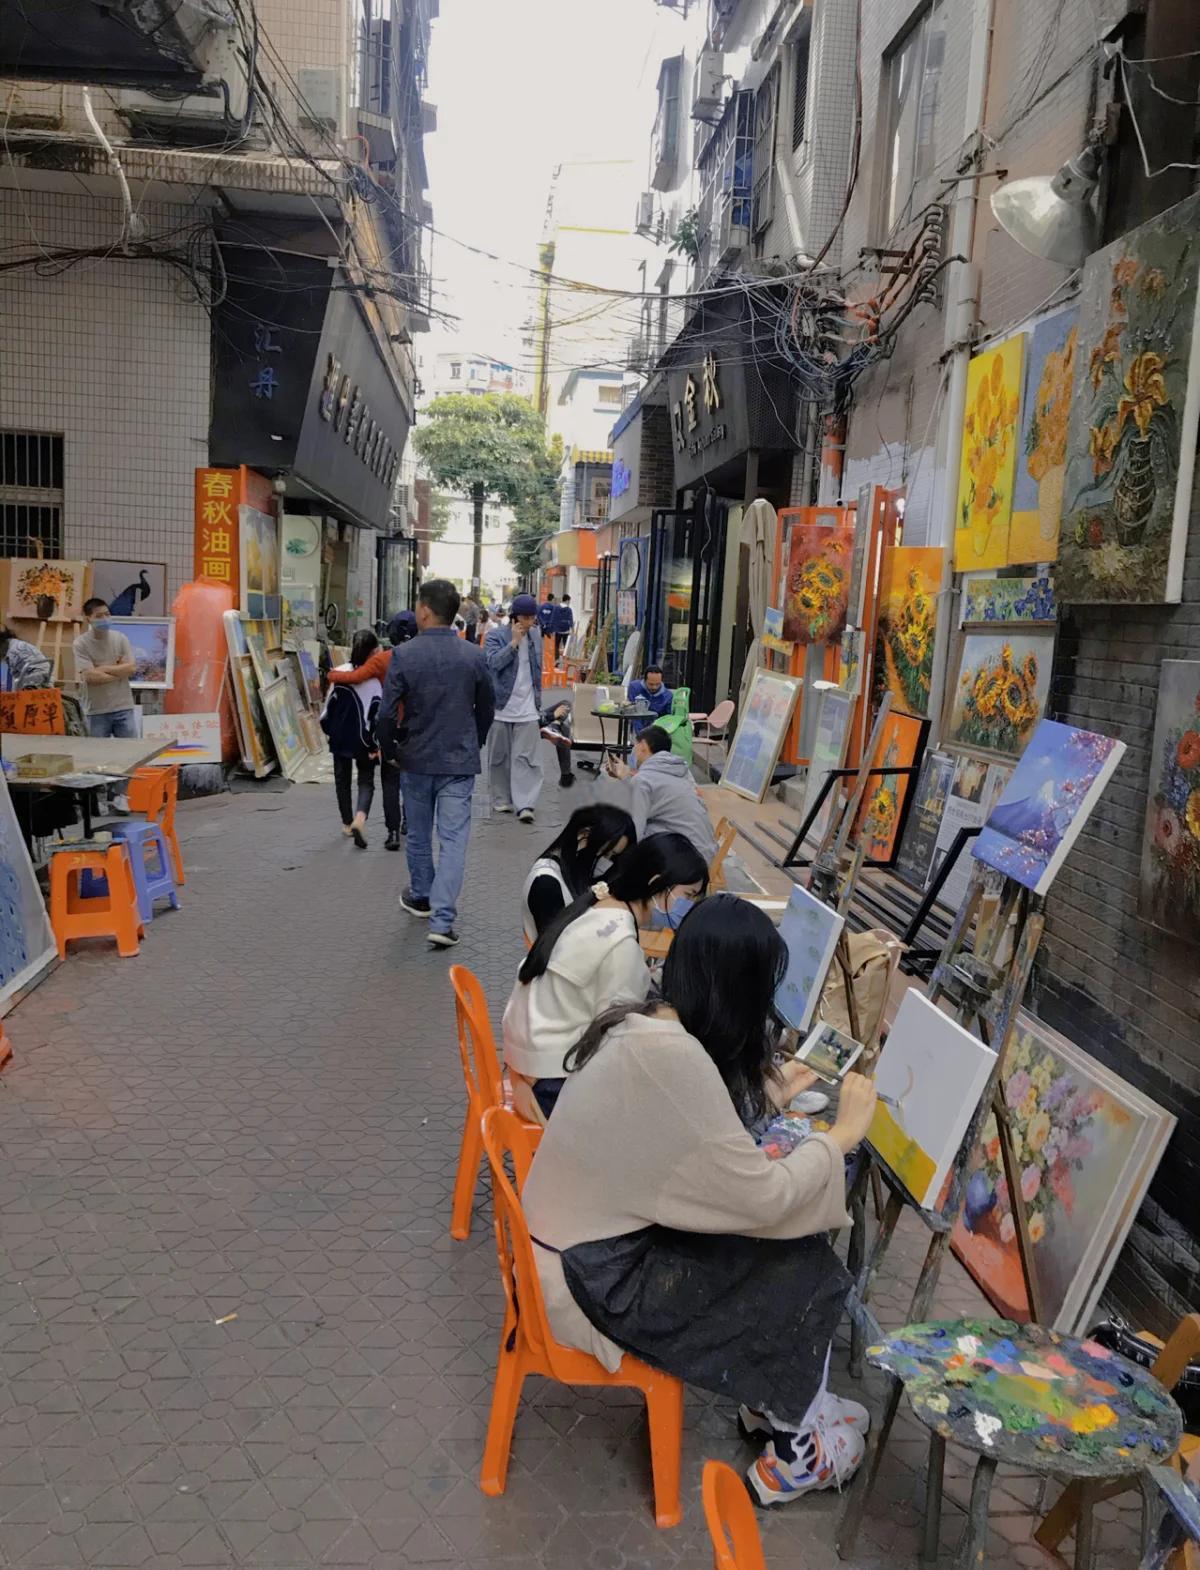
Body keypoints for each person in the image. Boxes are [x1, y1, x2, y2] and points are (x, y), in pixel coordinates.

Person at [521, 894, 879, 1505]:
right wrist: (843, 1135)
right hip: (587, 1280)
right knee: (800, 1263)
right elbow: (761, 1199)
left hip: (567, 1249)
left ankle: (779, 1404)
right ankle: (795, 1455)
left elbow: (695, 1139)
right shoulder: (674, 1059)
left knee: (755, 1242)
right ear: (737, 995)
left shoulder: (648, 1021)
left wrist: (777, 1087)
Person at [502, 832, 708, 1121]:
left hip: (530, 1059)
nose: (692, 905)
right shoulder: (620, 941)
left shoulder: (598, 902)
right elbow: (618, 1038)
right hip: (549, 1084)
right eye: (688, 895)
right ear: (655, 884)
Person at [377, 579, 495, 949]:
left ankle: (422, 897)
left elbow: (384, 715)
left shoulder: (405, 655)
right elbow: (487, 707)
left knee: (419, 834)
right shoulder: (474, 656)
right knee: (454, 839)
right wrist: (473, 742)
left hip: (415, 759)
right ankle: (443, 921)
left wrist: (390, 749)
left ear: (425, 610)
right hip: (458, 761)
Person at [329, 610, 417, 848]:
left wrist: (332, 674)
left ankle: (392, 834)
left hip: (391, 725)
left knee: (390, 779)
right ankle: (409, 821)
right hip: (418, 725)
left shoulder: (384, 660)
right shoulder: (425, 657)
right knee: (411, 777)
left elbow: (356, 676)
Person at [522, 803, 636, 943]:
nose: (606, 863)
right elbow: (556, 947)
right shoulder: (547, 882)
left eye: (612, 856)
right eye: (603, 853)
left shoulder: (577, 872)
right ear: (583, 835)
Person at [607, 723, 718, 864]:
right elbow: (655, 794)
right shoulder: (679, 769)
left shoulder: (644, 780)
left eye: (634, 745)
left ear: (643, 746)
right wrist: (626, 778)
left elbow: (633, 831)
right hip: (703, 849)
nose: (633, 752)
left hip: (687, 863)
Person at [484, 592, 543, 824]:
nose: (530, 622)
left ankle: (525, 804)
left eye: (532, 618)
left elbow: (538, 671)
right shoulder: (496, 635)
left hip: (528, 707)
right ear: (515, 617)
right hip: (501, 705)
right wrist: (514, 643)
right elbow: (492, 664)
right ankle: (501, 799)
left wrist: (539, 703)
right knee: (499, 757)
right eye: (525, 618)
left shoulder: (537, 636)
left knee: (527, 758)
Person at [320, 629, 382, 849]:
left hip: (339, 737)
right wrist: (375, 744)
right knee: (366, 780)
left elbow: (327, 709)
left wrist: (329, 730)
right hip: (363, 740)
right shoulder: (374, 681)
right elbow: (376, 715)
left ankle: (346, 823)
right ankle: (359, 819)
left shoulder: (339, 673)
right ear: (373, 651)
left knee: (342, 779)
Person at [73, 598, 137, 738]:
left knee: (130, 752)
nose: (105, 619)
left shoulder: (120, 638)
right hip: (96, 710)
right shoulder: (81, 643)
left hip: (123, 706)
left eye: (107, 614)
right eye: (99, 616)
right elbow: (90, 677)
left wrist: (101, 668)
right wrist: (119, 670)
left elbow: (131, 668)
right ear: (88, 618)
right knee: (97, 755)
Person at [539, 697, 576, 788]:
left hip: (536, 715)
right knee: (563, 727)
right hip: (528, 719)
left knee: (566, 704)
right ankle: (566, 775)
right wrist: (552, 715)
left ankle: (554, 727)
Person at [0, 626, 52, 691]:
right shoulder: (11, 649)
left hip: (38, 691)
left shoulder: (18, 650)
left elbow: (42, 673)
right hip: (32, 687)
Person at [627, 664, 673, 736]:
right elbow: (634, 714)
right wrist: (640, 736)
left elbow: (667, 719)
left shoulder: (668, 696)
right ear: (645, 680)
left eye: (657, 684)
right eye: (651, 684)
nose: (654, 687)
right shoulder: (634, 687)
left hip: (656, 731)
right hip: (636, 727)